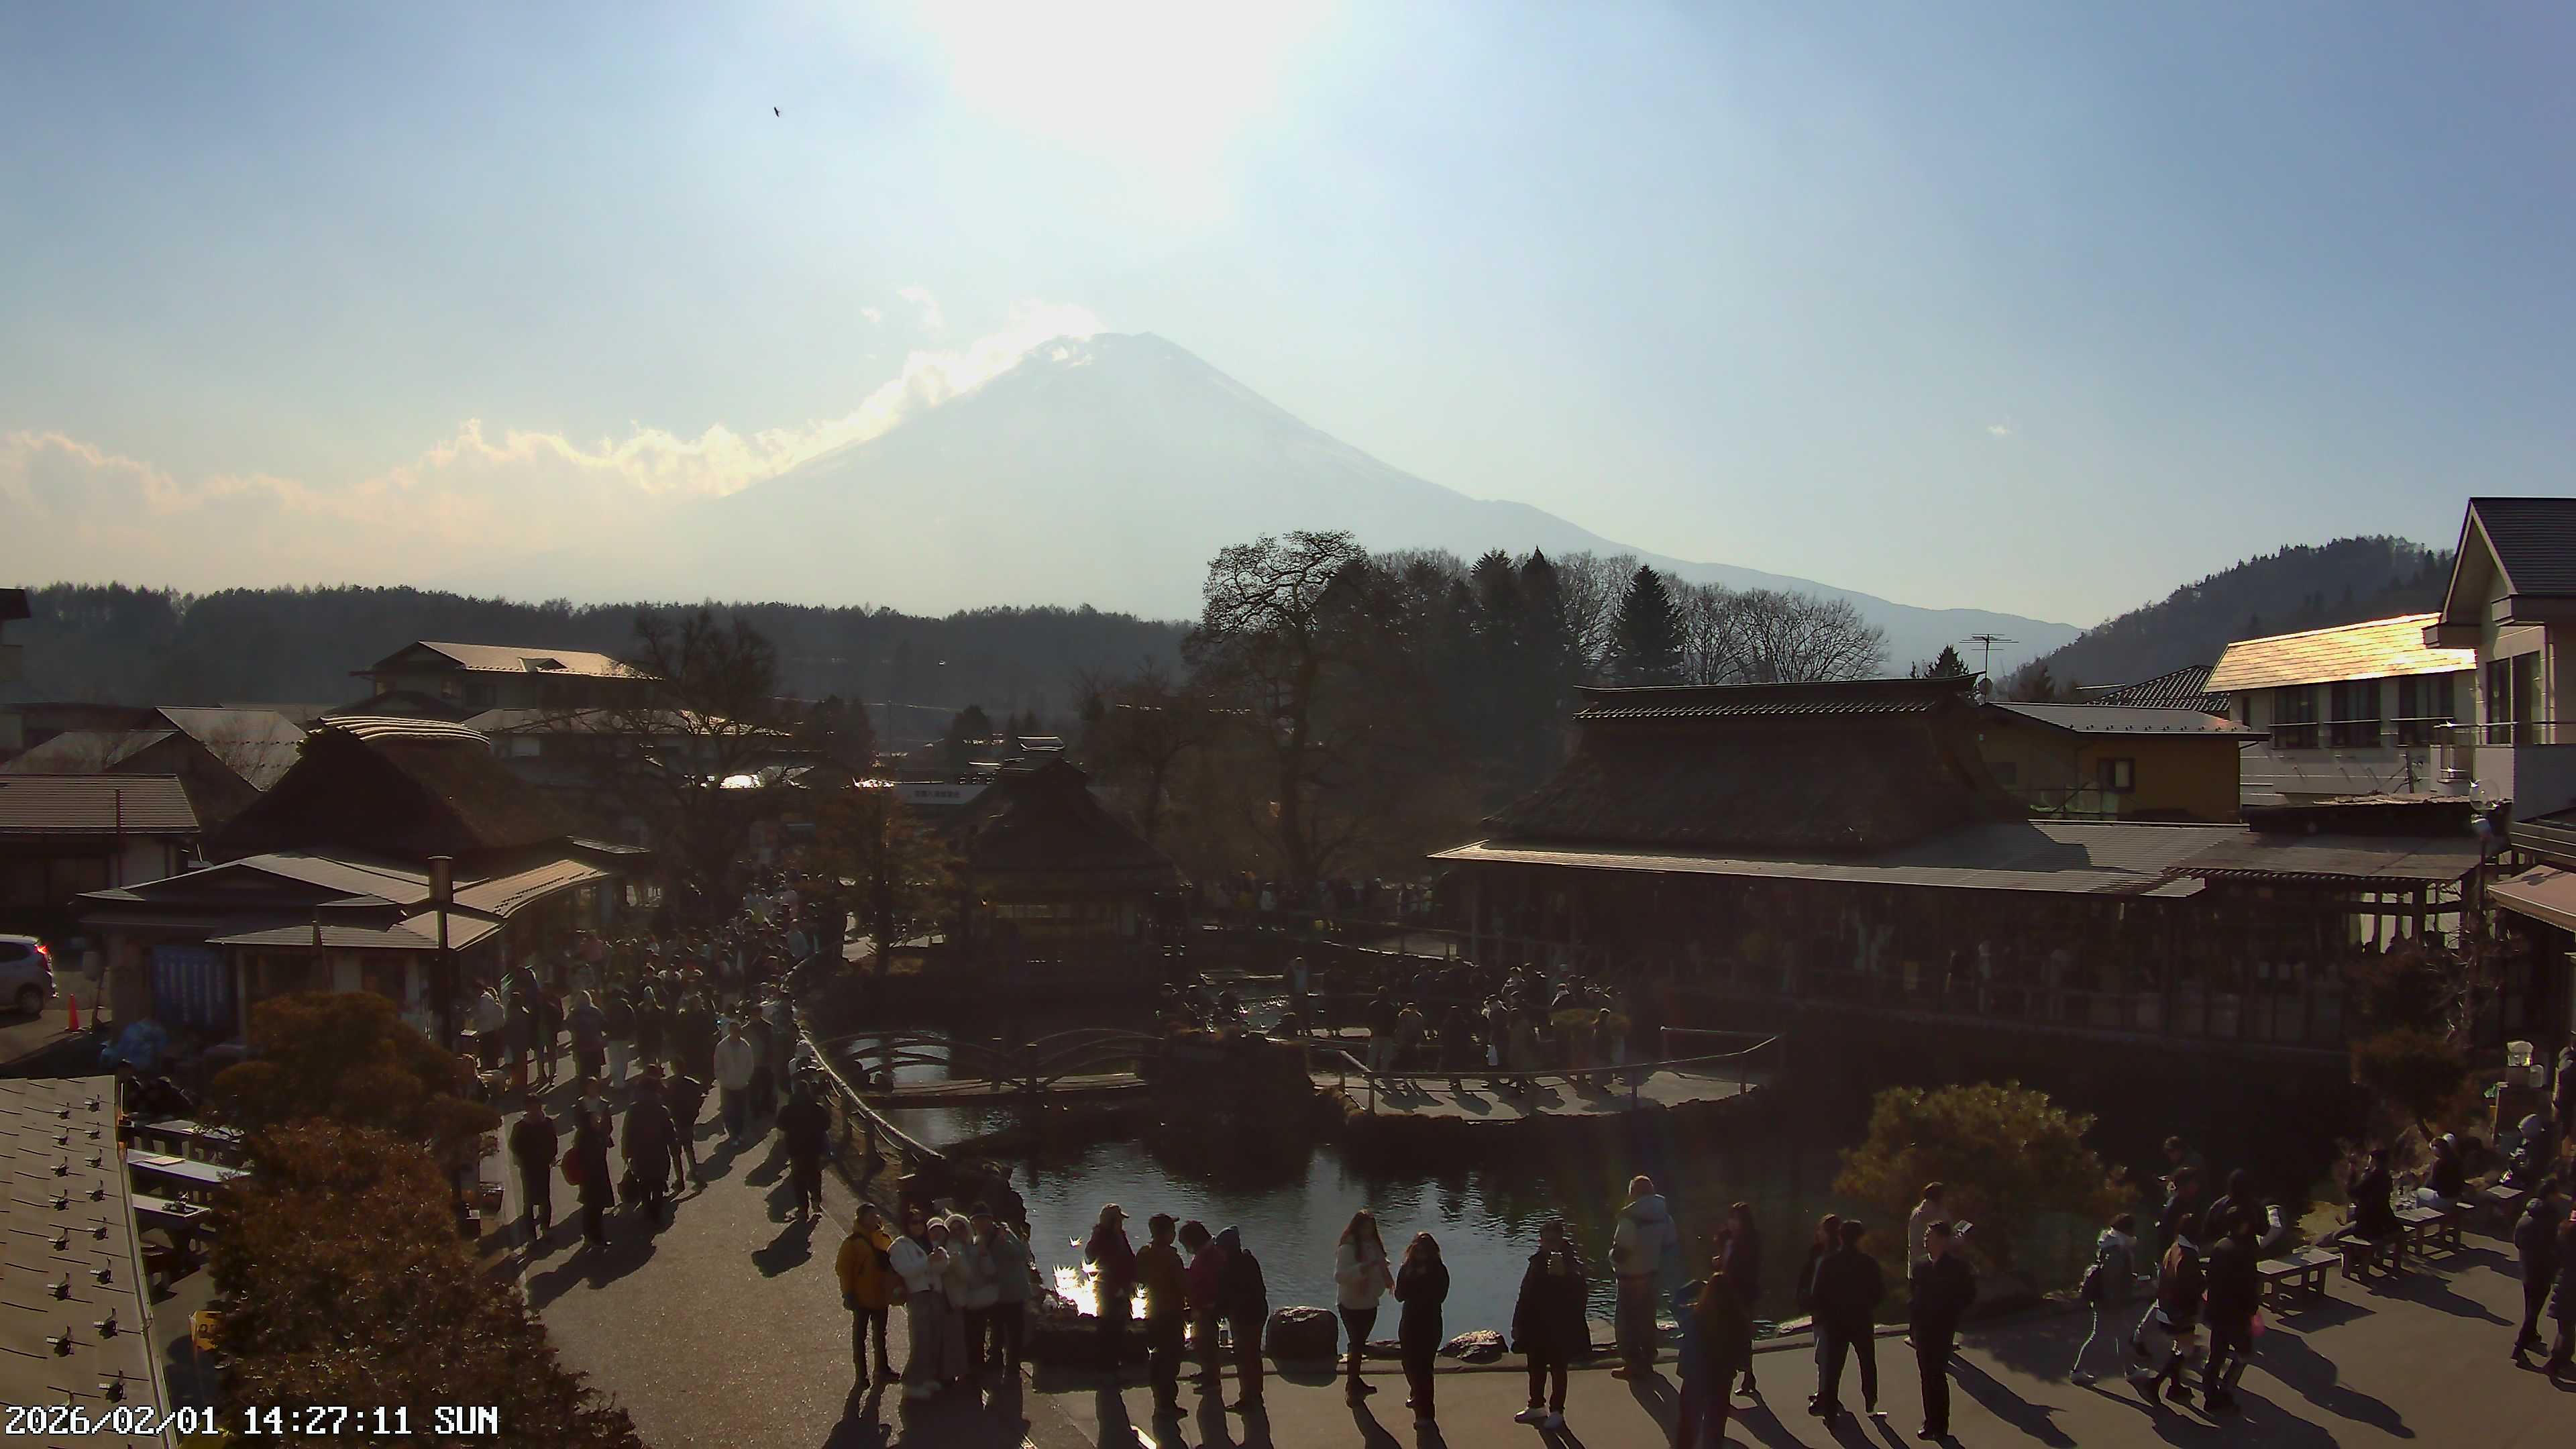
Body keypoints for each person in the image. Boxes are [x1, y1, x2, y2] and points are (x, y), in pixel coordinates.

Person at [1511, 1220, 1585, 1428]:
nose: (1550, 1245)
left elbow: (1580, 1295)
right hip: (1536, 1324)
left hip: (1561, 1325)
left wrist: (1566, 1277)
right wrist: (1517, 1322)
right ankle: (1536, 1405)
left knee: (1558, 1368)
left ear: (1562, 1240)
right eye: (1546, 1240)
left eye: (1554, 1240)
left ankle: (1557, 1410)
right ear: (1541, 1240)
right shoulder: (1536, 1261)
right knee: (1535, 1366)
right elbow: (1524, 1294)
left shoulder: (1571, 1263)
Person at [1672, 1261, 1753, 1449]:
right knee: (1715, 1427)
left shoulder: (1695, 1317)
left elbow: (1675, 1304)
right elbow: (1744, 1349)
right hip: (1722, 1379)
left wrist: (1694, 1285)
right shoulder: (1738, 1321)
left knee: (1687, 1426)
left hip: (1695, 1377)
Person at [1811, 1218, 1884, 1420]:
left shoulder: (1829, 1262)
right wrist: (1866, 1306)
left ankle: (1830, 1410)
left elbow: (1818, 1294)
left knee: (1833, 1367)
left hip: (1836, 1322)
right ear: (1861, 1238)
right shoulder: (1868, 1263)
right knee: (1867, 1361)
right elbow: (1879, 1293)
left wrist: (1825, 1314)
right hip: (1861, 1318)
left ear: (1840, 1237)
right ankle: (1870, 1399)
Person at [1911, 1221, 1976, 1441]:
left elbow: (1968, 1295)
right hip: (1922, 1328)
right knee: (1925, 1375)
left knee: (1937, 1375)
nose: (1926, 1239)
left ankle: (1941, 1424)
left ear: (1943, 1240)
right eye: (1927, 1235)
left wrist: (1951, 1312)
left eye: (1931, 1236)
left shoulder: (1956, 1267)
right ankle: (1929, 1420)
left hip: (1942, 1328)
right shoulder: (1920, 1266)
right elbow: (1915, 1295)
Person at [1610, 1175, 1679, 1378]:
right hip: (1651, 1276)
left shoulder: (1630, 1218)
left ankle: (1632, 1364)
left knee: (1626, 1323)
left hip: (1629, 1278)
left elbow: (1621, 1253)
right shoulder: (1664, 1216)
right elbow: (1670, 1247)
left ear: (1633, 1193)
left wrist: (1611, 1258)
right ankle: (1648, 1360)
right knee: (1647, 1320)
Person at [2136, 1212, 2204, 1403]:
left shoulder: (2175, 1248)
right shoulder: (2188, 1256)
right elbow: (2191, 1287)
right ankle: (2155, 1384)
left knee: (2179, 1348)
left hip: (2167, 1308)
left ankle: (2175, 1387)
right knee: (2185, 1351)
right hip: (2181, 1312)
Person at [892, 1207, 955, 1401]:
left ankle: (926, 1377)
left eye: (921, 1222)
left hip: (935, 1294)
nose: (918, 1226)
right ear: (906, 1225)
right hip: (918, 1296)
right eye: (914, 1222)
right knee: (921, 1339)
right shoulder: (900, 1245)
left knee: (934, 1338)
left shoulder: (929, 1243)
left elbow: (941, 1268)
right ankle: (912, 1382)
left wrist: (941, 1259)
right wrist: (927, 1262)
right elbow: (906, 1270)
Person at [2201, 1210, 2261, 1413]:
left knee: (2216, 1355)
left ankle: (2210, 1395)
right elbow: (2249, 1285)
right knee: (2244, 1353)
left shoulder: (2220, 1246)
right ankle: (2226, 1390)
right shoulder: (2244, 1251)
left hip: (2218, 1311)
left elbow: (2210, 1278)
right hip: (2237, 1314)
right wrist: (2252, 1310)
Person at [2070, 1212, 2139, 1384]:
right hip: (2110, 1301)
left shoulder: (2110, 1244)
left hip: (2106, 1300)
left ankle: (2129, 1370)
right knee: (2103, 1335)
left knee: (2118, 1335)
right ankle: (2078, 1371)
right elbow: (2112, 1279)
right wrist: (2115, 1302)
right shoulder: (2117, 1249)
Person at [837, 1202, 900, 1389]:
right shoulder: (852, 1244)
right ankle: (861, 1375)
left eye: (876, 1216)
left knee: (880, 1335)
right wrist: (848, 1293)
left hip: (881, 1296)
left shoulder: (883, 1239)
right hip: (861, 1297)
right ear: (861, 1219)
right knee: (860, 1336)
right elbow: (844, 1270)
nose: (875, 1219)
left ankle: (882, 1370)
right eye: (870, 1216)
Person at [1334, 1209, 1395, 1401]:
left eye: (1371, 1228)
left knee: (1359, 1343)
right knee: (1357, 1343)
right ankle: (1352, 1387)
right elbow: (1340, 1276)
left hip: (1369, 1301)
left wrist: (1387, 1279)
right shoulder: (1348, 1248)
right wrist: (1364, 1268)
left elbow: (1382, 1264)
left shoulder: (1374, 1246)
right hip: (1350, 1303)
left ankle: (1355, 1381)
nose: (1368, 1232)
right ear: (1357, 1228)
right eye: (1364, 1228)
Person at [1394, 1232, 1449, 1426]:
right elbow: (1399, 1295)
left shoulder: (1439, 1270)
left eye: (1425, 1251)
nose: (1421, 1254)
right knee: (1408, 1364)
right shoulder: (1406, 1269)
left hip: (1430, 1323)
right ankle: (1416, 1392)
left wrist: (1423, 1281)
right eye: (1418, 1250)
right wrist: (1412, 1279)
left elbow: (1440, 1296)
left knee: (1424, 1368)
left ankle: (1425, 1414)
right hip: (1409, 1322)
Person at [1137, 1213, 1188, 1414]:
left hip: (1152, 1310)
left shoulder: (1144, 1253)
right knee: (1171, 1358)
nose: (1174, 1234)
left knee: (1158, 1357)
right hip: (1171, 1313)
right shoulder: (1171, 1257)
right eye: (1172, 1231)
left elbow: (1139, 1277)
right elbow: (1183, 1286)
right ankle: (1168, 1403)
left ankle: (1160, 1400)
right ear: (1166, 1234)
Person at [1794, 1213, 1842, 1412]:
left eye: (1821, 1230)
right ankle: (1824, 1390)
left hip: (1828, 1312)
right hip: (1816, 1308)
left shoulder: (1835, 1256)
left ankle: (1826, 1395)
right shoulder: (1816, 1253)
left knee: (1825, 1354)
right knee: (1821, 1353)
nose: (1818, 1233)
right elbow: (1807, 1277)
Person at [1217, 1226, 1268, 1411]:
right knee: (1253, 1356)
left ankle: (1248, 1397)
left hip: (1245, 1316)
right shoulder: (1248, 1260)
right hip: (1258, 1312)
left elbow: (1228, 1295)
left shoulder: (1232, 1266)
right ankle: (1255, 1393)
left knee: (1245, 1357)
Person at [944, 1212, 994, 1394]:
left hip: (978, 1300)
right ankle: (961, 1373)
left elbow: (989, 1271)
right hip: (957, 1301)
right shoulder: (950, 1249)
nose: (957, 1232)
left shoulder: (976, 1245)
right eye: (953, 1229)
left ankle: (976, 1372)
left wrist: (984, 1255)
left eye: (961, 1228)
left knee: (977, 1337)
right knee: (960, 1338)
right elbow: (965, 1275)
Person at [1086, 1204, 1139, 1376]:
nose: (1122, 1223)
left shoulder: (1120, 1236)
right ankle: (1107, 1366)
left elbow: (1130, 1259)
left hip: (1122, 1287)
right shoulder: (1101, 1238)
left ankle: (1113, 1363)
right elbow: (1090, 1255)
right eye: (1119, 1220)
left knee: (1119, 1326)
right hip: (1109, 1288)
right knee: (1109, 1325)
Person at [982, 1203, 1034, 1376]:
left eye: (984, 1220)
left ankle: (1012, 1364)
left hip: (1014, 1290)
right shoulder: (979, 1237)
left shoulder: (1004, 1233)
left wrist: (1004, 1241)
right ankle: (995, 1359)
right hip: (995, 1290)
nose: (981, 1224)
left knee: (1014, 1329)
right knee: (996, 1327)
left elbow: (1021, 1253)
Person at [621, 1071, 678, 1225]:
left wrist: (626, 1152)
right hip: (659, 1152)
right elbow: (669, 1132)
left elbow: (627, 1132)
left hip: (640, 1153)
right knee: (659, 1183)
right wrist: (674, 1149)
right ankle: (656, 1213)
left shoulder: (633, 1109)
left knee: (644, 1183)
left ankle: (647, 1209)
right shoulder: (661, 1109)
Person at [1180, 1220, 1229, 1395]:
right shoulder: (1208, 1253)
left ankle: (1212, 1380)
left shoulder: (1209, 1256)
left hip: (1206, 1307)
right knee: (1202, 1342)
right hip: (1202, 1306)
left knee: (1207, 1343)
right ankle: (1207, 1373)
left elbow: (1209, 1284)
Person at [1719, 1201, 1762, 1397]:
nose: (1731, 1222)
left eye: (1735, 1219)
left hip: (1742, 1294)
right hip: (1727, 1294)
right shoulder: (1729, 1240)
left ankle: (1745, 1375)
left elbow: (1746, 1271)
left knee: (1741, 1336)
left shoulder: (1749, 1242)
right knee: (1731, 1337)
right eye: (1731, 1218)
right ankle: (1745, 1375)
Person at [2514, 1193, 2561, 1366]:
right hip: (2543, 1271)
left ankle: (2532, 1334)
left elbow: (2517, 1243)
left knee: (2530, 1306)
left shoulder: (2524, 1220)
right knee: (2534, 1310)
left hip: (2527, 1268)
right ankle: (2519, 1347)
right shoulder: (2550, 1225)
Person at [775, 1079, 830, 1219]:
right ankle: (816, 1201)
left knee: (798, 1179)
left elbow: (780, 1125)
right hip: (814, 1148)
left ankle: (802, 1209)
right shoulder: (817, 1108)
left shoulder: (788, 1109)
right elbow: (826, 1125)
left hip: (796, 1149)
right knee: (815, 1176)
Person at [506, 1097, 558, 1244]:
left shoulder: (547, 1123)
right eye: (532, 1108)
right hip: (528, 1167)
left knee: (545, 1198)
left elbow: (553, 1140)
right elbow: (514, 1145)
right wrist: (522, 1157)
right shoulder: (521, 1126)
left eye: (537, 1107)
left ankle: (546, 1228)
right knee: (528, 1201)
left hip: (543, 1165)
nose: (535, 1111)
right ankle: (531, 1236)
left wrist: (552, 1155)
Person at [570, 1088, 614, 1248]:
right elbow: (589, 1155)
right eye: (595, 1119)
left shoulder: (595, 1133)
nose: (598, 1120)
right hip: (591, 1176)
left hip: (598, 1174)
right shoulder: (585, 1136)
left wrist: (603, 1135)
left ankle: (594, 1236)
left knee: (595, 1208)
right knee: (592, 1208)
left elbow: (608, 1143)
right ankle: (594, 1236)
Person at [2349, 1147, 2402, 1275]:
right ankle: (2374, 1257)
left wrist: (2353, 1174)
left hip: (2368, 1226)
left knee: (2337, 1236)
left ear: (2374, 1161)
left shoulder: (2372, 1177)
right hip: (2384, 1222)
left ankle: (2355, 1263)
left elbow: (2353, 1192)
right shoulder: (2387, 1178)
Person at [714, 1018, 756, 1142]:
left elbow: (750, 1064)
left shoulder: (745, 1046)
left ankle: (738, 1132)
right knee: (728, 1110)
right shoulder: (722, 1046)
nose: (737, 1033)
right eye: (734, 1031)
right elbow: (718, 1065)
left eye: (738, 1031)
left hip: (742, 1085)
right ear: (730, 1031)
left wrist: (746, 1077)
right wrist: (723, 1079)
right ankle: (732, 1132)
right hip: (727, 1085)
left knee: (740, 1110)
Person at [665, 1069, 709, 1182]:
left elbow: (665, 1101)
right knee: (689, 1148)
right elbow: (701, 1094)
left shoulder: (671, 1084)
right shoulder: (690, 1083)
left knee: (676, 1153)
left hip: (676, 1123)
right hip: (688, 1121)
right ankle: (694, 1172)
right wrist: (695, 1112)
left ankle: (679, 1179)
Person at [2550, 1205, 2576, 1384]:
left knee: (2565, 1330)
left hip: (2563, 1286)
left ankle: (2559, 1362)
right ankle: (2556, 1365)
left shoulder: (2564, 1235)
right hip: (2568, 1290)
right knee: (2567, 1332)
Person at [1907, 1183, 1944, 1289]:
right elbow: (1943, 1238)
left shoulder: (1916, 1212)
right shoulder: (1937, 1213)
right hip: (1934, 1269)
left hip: (1915, 1265)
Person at [569, 989, 606, 1085]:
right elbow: (604, 1024)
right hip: (595, 1044)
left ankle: (583, 1088)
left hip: (580, 1045)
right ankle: (597, 1087)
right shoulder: (596, 1012)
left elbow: (569, 1026)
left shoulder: (574, 1013)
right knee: (596, 1068)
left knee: (582, 1069)